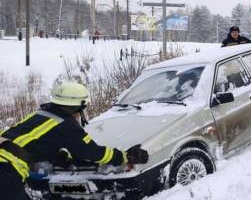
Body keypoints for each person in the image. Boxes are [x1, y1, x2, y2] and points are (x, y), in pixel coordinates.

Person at [0, 82, 149, 200]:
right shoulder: (67, 125)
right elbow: (93, 152)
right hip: (5, 171)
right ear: (80, 106)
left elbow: (33, 141)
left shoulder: (40, 114)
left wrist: (58, 155)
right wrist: (124, 156)